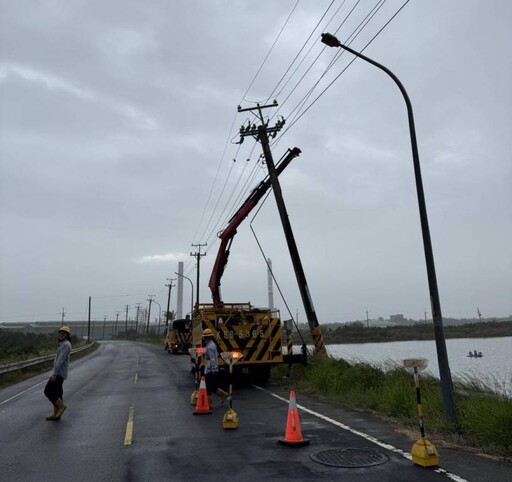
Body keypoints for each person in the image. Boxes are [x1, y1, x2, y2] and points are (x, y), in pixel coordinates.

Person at [44, 325, 72, 421]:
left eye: (63, 334)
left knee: (48, 391)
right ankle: (56, 414)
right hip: (59, 373)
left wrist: (54, 374)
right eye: (60, 333)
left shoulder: (66, 345)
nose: (61, 335)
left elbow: (60, 361)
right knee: (58, 393)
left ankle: (61, 406)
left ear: (66, 335)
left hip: (59, 373)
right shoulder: (63, 344)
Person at [202, 328, 228, 404]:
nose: (204, 339)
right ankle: (223, 394)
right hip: (212, 369)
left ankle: (209, 404)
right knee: (213, 386)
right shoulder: (212, 344)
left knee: (208, 387)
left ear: (206, 338)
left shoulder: (210, 347)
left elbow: (212, 359)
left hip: (210, 369)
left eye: (204, 337)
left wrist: (213, 370)